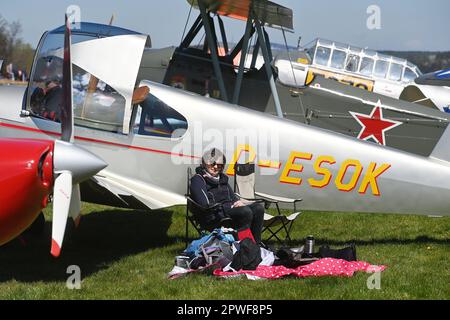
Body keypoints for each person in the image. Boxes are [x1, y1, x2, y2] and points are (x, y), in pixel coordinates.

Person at [190, 148, 265, 244]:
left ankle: (256, 244)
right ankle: (243, 245)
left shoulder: (222, 179)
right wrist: (229, 206)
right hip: (214, 215)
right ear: (204, 163)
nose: (216, 166)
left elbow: (232, 197)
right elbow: (204, 204)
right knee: (245, 212)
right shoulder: (198, 179)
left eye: (220, 164)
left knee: (258, 208)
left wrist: (238, 202)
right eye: (212, 163)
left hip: (228, 211)